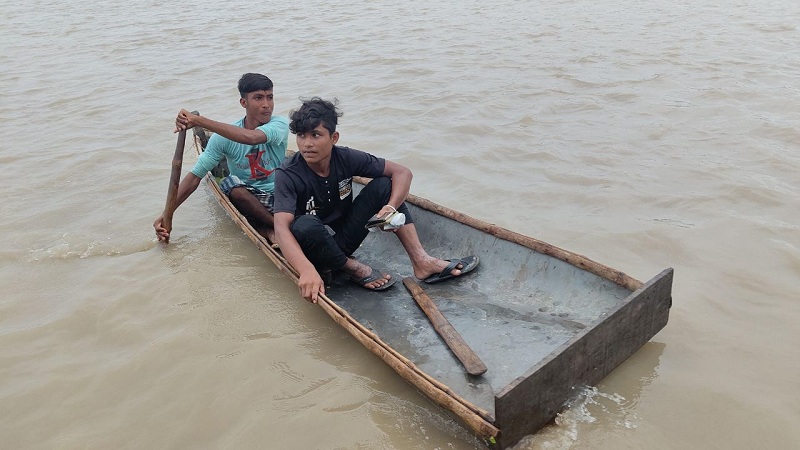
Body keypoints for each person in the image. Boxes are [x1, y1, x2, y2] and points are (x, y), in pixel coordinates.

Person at [272, 97, 479, 303]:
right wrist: (306, 270)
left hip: (342, 240)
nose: (307, 144)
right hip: (311, 251)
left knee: (383, 185)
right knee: (304, 224)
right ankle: (353, 267)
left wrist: (390, 208)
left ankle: (421, 261)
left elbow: (402, 172)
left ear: (334, 137)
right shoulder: (288, 174)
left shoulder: (345, 158)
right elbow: (281, 229)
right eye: (301, 136)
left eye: (316, 135)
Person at [153, 73, 289, 243]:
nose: (266, 105)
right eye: (258, 98)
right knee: (230, 184)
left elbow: (253, 137)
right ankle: (276, 227)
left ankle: (270, 228)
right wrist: (166, 214)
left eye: (270, 98)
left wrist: (200, 121)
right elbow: (195, 177)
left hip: (282, 196)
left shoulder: (279, 125)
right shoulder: (222, 138)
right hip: (251, 201)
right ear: (243, 102)